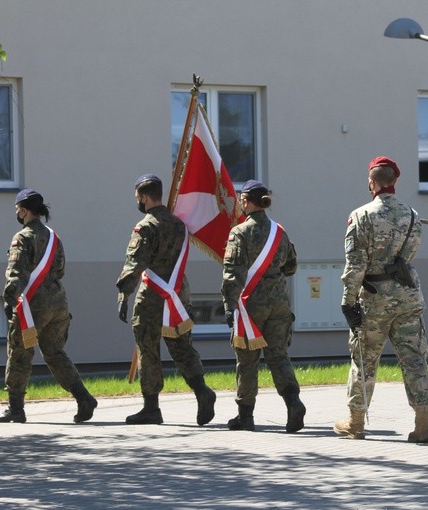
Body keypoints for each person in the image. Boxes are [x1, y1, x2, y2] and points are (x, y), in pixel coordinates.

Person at [335, 156, 428, 442]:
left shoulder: (361, 216)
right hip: (407, 296)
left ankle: (355, 422)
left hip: (374, 299)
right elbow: (410, 254)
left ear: (372, 183)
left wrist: (348, 300)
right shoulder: (413, 215)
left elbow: (355, 265)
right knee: (415, 359)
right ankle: (423, 421)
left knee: (364, 360)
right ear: (395, 181)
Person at [116, 174, 216, 426]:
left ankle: (151, 407)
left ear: (145, 197)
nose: (137, 201)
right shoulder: (179, 224)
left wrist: (124, 293)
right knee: (182, 346)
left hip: (153, 295)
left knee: (148, 348)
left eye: (138, 197)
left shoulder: (145, 226)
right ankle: (202, 391)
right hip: (178, 293)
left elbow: (134, 263)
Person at [0, 189, 97, 424]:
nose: (17, 213)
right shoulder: (53, 237)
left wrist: (9, 299)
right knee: (55, 353)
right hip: (58, 303)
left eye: (18, 209)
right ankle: (84, 398)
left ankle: (15, 409)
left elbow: (16, 273)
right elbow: (60, 270)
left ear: (25, 210)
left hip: (32, 307)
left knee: (20, 353)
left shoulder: (22, 238)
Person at [221, 179, 305, 433]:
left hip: (250, 305)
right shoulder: (280, 231)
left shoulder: (239, 233)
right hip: (279, 302)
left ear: (246, 201)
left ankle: (245, 416)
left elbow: (232, 273)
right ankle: (293, 402)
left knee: (247, 360)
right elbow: (291, 267)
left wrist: (228, 305)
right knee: (278, 356)